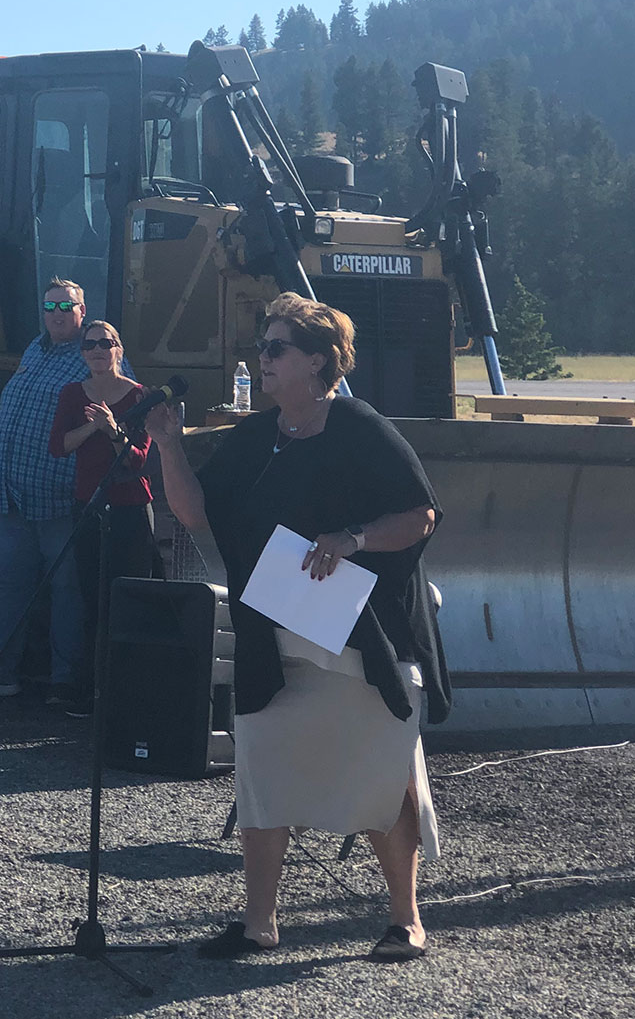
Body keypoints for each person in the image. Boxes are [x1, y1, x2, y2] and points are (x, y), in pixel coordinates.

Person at [146, 292, 450, 963]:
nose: (263, 358)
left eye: (276, 348)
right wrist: (168, 446)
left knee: (380, 772)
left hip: (359, 636)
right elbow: (195, 513)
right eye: (262, 346)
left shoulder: (360, 427)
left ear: (317, 360)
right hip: (272, 636)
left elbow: (420, 515)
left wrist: (352, 538)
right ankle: (259, 922)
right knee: (264, 771)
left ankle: (405, 919)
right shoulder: (258, 435)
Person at [0, 277, 130, 703]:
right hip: (10, 496)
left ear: (82, 311)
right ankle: (0, 674)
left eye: (66, 307)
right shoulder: (34, 349)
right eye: (50, 307)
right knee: (6, 587)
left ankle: (65, 681)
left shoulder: (95, 355)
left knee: (68, 592)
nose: (57, 315)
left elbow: (123, 411)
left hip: (59, 498)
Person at [47, 318, 153, 715]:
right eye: (89, 344)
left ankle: (127, 693)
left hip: (130, 508)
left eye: (105, 344)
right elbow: (59, 446)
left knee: (128, 600)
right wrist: (93, 428)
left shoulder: (139, 395)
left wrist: (111, 429)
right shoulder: (73, 393)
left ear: (118, 350)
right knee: (92, 600)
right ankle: (92, 690)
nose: (96, 350)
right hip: (89, 506)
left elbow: (137, 461)